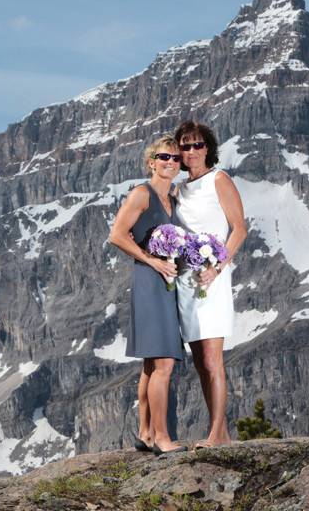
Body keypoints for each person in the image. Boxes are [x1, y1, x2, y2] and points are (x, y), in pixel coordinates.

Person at [108, 134, 187, 455]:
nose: (170, 162)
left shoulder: (173, 198)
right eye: (164, 157)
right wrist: (151, 260)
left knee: (152, 364)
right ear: (151, 161)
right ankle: (163, 438)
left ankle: (145, 433)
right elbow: (116, 234)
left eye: (175, 158)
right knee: (165, 363)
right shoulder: (142, 194)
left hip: (166, 282)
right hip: (149, 281)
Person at [173, 120, 247, 448]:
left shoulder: (220, 180)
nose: (191, 152)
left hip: (212, 278)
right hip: (186, 281)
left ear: (208, 148)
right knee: (200, 360)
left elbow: (239, 228)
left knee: (213, 358)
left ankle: (216, 433)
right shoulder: (177, 189)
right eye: (185, 146)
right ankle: (222, 432)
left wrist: (217, 268)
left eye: (197, 145)